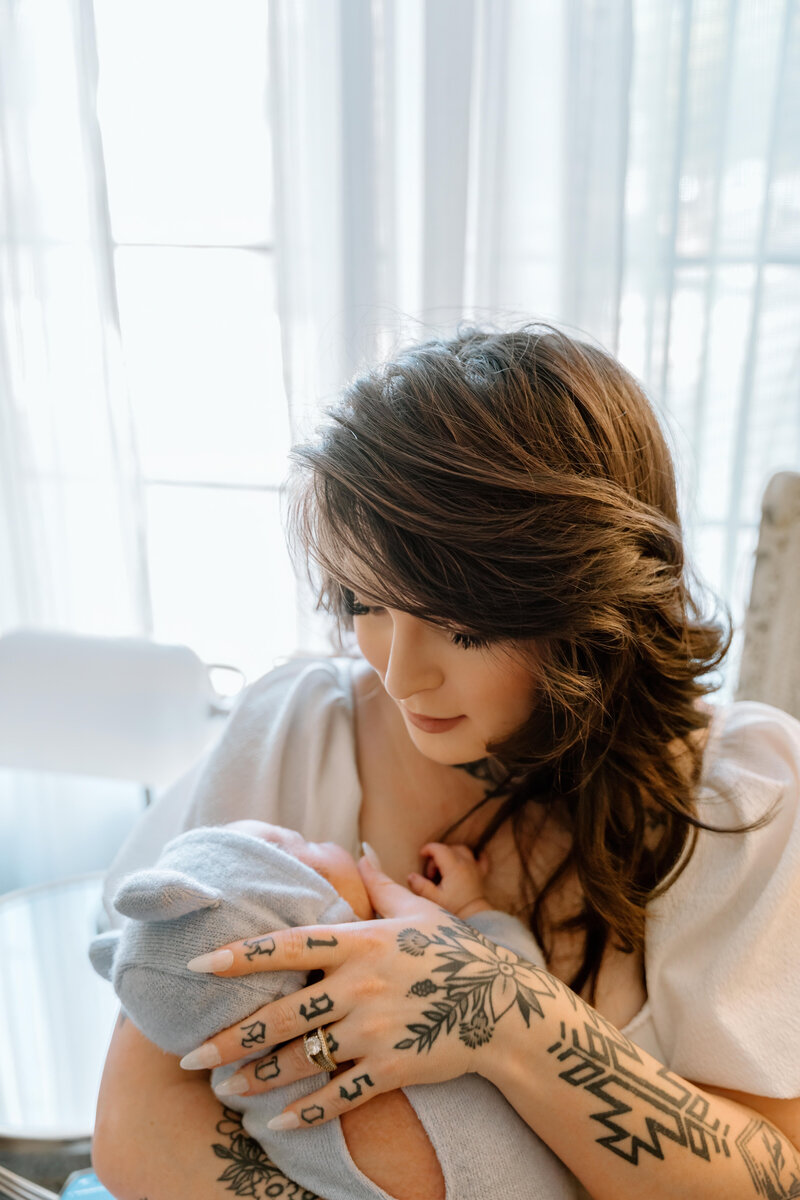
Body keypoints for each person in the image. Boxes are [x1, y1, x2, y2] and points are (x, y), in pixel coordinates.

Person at [92, 323, 800, 1200]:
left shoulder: (742, 796)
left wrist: (508, 1012)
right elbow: (134, 1129)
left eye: (460, 625)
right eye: (364, 603)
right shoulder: (297, 731)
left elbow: (771, 1179)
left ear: (589, 603)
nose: (398, 675)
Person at [91, 819, 574, 1199]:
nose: (325, 839)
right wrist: (474, 910)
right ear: (302, 901)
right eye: (304, 842)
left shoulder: (241, 1089)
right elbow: (521, 989)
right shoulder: (425, 986)